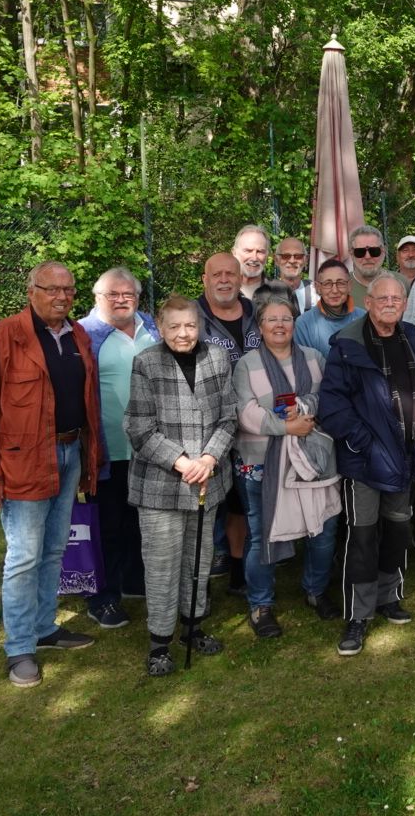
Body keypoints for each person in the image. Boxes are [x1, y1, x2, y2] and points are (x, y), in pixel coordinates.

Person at [0, 261, 102, 687]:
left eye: (68, 290)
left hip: (69, 452)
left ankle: (45, 628)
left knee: (53, 549)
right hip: (23, 461)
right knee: (23, 557)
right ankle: (19, 646)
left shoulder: (78, 335)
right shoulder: (6, 336)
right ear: (31, 291)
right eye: (51, 289)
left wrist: (89, 456)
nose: (61, 297)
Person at [124, 296, 236, 676]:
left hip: (207, 479)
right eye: (174, 327)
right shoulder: (147, 362)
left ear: (199, 325)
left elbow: (229, 417)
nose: (183, 333)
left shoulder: (218, 359)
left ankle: (193, 627)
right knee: (162, 566)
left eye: (189, 325)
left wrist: (208, 459)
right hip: (160, 484)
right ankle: (160, 643)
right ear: (160, 326)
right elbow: (139, 427)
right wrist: (182, 461)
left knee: (199, 560)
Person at [317, 273, 415, 655]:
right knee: (362, 537)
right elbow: (332, 407)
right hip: (364, 460)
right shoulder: (347, 344)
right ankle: (357, 615)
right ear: (368, 302)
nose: (390, 304)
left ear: (405, 304)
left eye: (397, 298)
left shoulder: (410, 337)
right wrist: (364, 442)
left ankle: (388, 596)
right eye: (383, 298)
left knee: (398, 531)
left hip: (404, 457)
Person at [232, 294, 345, 637]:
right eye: (272, 320)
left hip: (311, 461)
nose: (279, 325)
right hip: (261, 461)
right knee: (261, 535)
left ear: (295, 323)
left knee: (323, 531)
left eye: (286, 319)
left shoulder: (313, 358)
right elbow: (245, 411)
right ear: (260, 327)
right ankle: (261, 604)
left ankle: (315, 590)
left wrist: (303, 407)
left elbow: (327, 394)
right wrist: (286, 426)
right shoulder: (246, 365)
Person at [79, 267, 160, 629]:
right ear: (98, 298)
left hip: (150, 447)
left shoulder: (151, 328)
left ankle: (132, 581)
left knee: (140, 522)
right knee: (106, 526)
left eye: (128, 294)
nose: (122, 299)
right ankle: (103, 598)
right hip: (107, 449)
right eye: (113, 294)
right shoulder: (84, 334)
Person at [196, 251, 259, 594]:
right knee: (204, 505)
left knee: (240, 502)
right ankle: (198, 577)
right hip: (207, 426)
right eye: (216, 274)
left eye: (230, 274)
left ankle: (238, 570)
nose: (224, 280)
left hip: (251, 425)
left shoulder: (254, 314)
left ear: (240, 279)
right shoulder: (193, 317)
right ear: (205, 280)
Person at [295, 258, 365, 360]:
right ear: (318, 288)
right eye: (327, 284)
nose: (335, 290)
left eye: (340, 283)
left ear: (349, 286)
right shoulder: (304, 324)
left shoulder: (363, 318)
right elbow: (303, 367)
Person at [348, 225, 389, 307]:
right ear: (351, 254)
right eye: (360, 252)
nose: (367, 257)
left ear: (383, 251)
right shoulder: (339, 288)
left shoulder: (401, 282)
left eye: (374, 251)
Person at [273, 237, 316, 312]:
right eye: (285, 256)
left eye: (298, 256)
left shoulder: (317, 293)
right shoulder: (266, 294)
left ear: (306, 260)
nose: (292, 261)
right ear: (276, 260)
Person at [232, 224, 273, 298]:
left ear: (267, 255)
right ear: (234, 253)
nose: (254, 258)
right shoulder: (221, 290)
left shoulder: (281, 291)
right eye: (248, 251)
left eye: (260, 251)